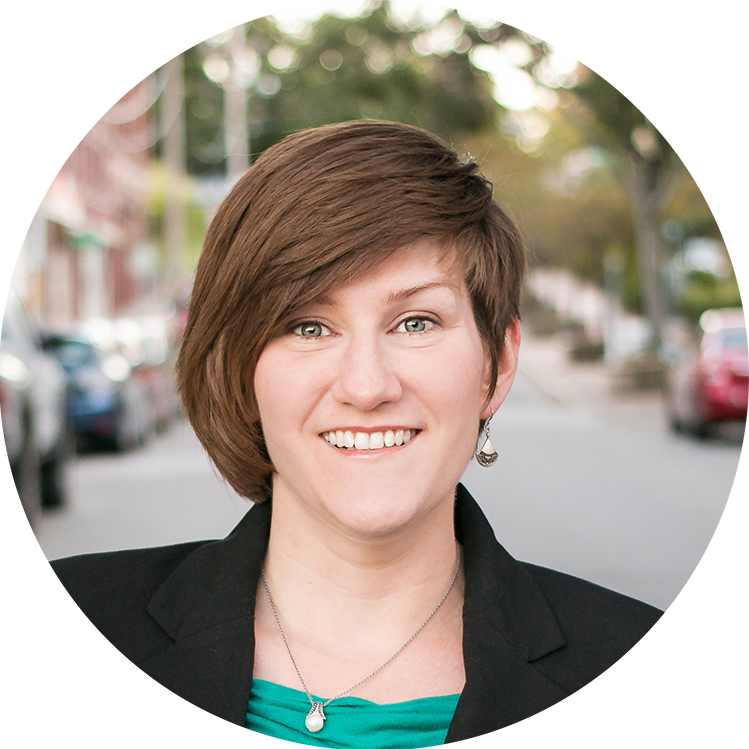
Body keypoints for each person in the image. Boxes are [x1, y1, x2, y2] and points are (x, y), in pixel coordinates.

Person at [50, 120, 663, 747]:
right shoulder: (55, 639)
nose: (367, 387)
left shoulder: (653, 679)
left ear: (497, 365)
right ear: (239, 367)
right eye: (309, 327)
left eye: (416, 322)